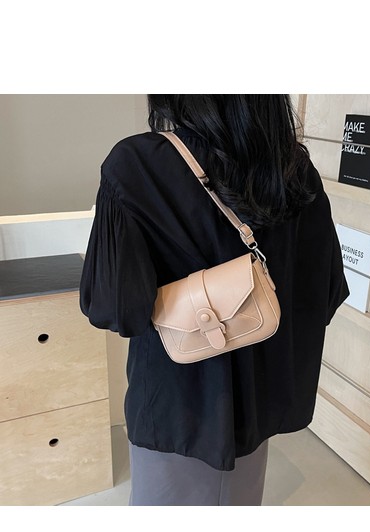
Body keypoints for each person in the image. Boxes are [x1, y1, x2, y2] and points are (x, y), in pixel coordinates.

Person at [79, 94, 349, 506]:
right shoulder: (294, 168)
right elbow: (325, 292)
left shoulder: (137, 164)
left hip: (175, 404)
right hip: (258, 401)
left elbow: (114, 308)